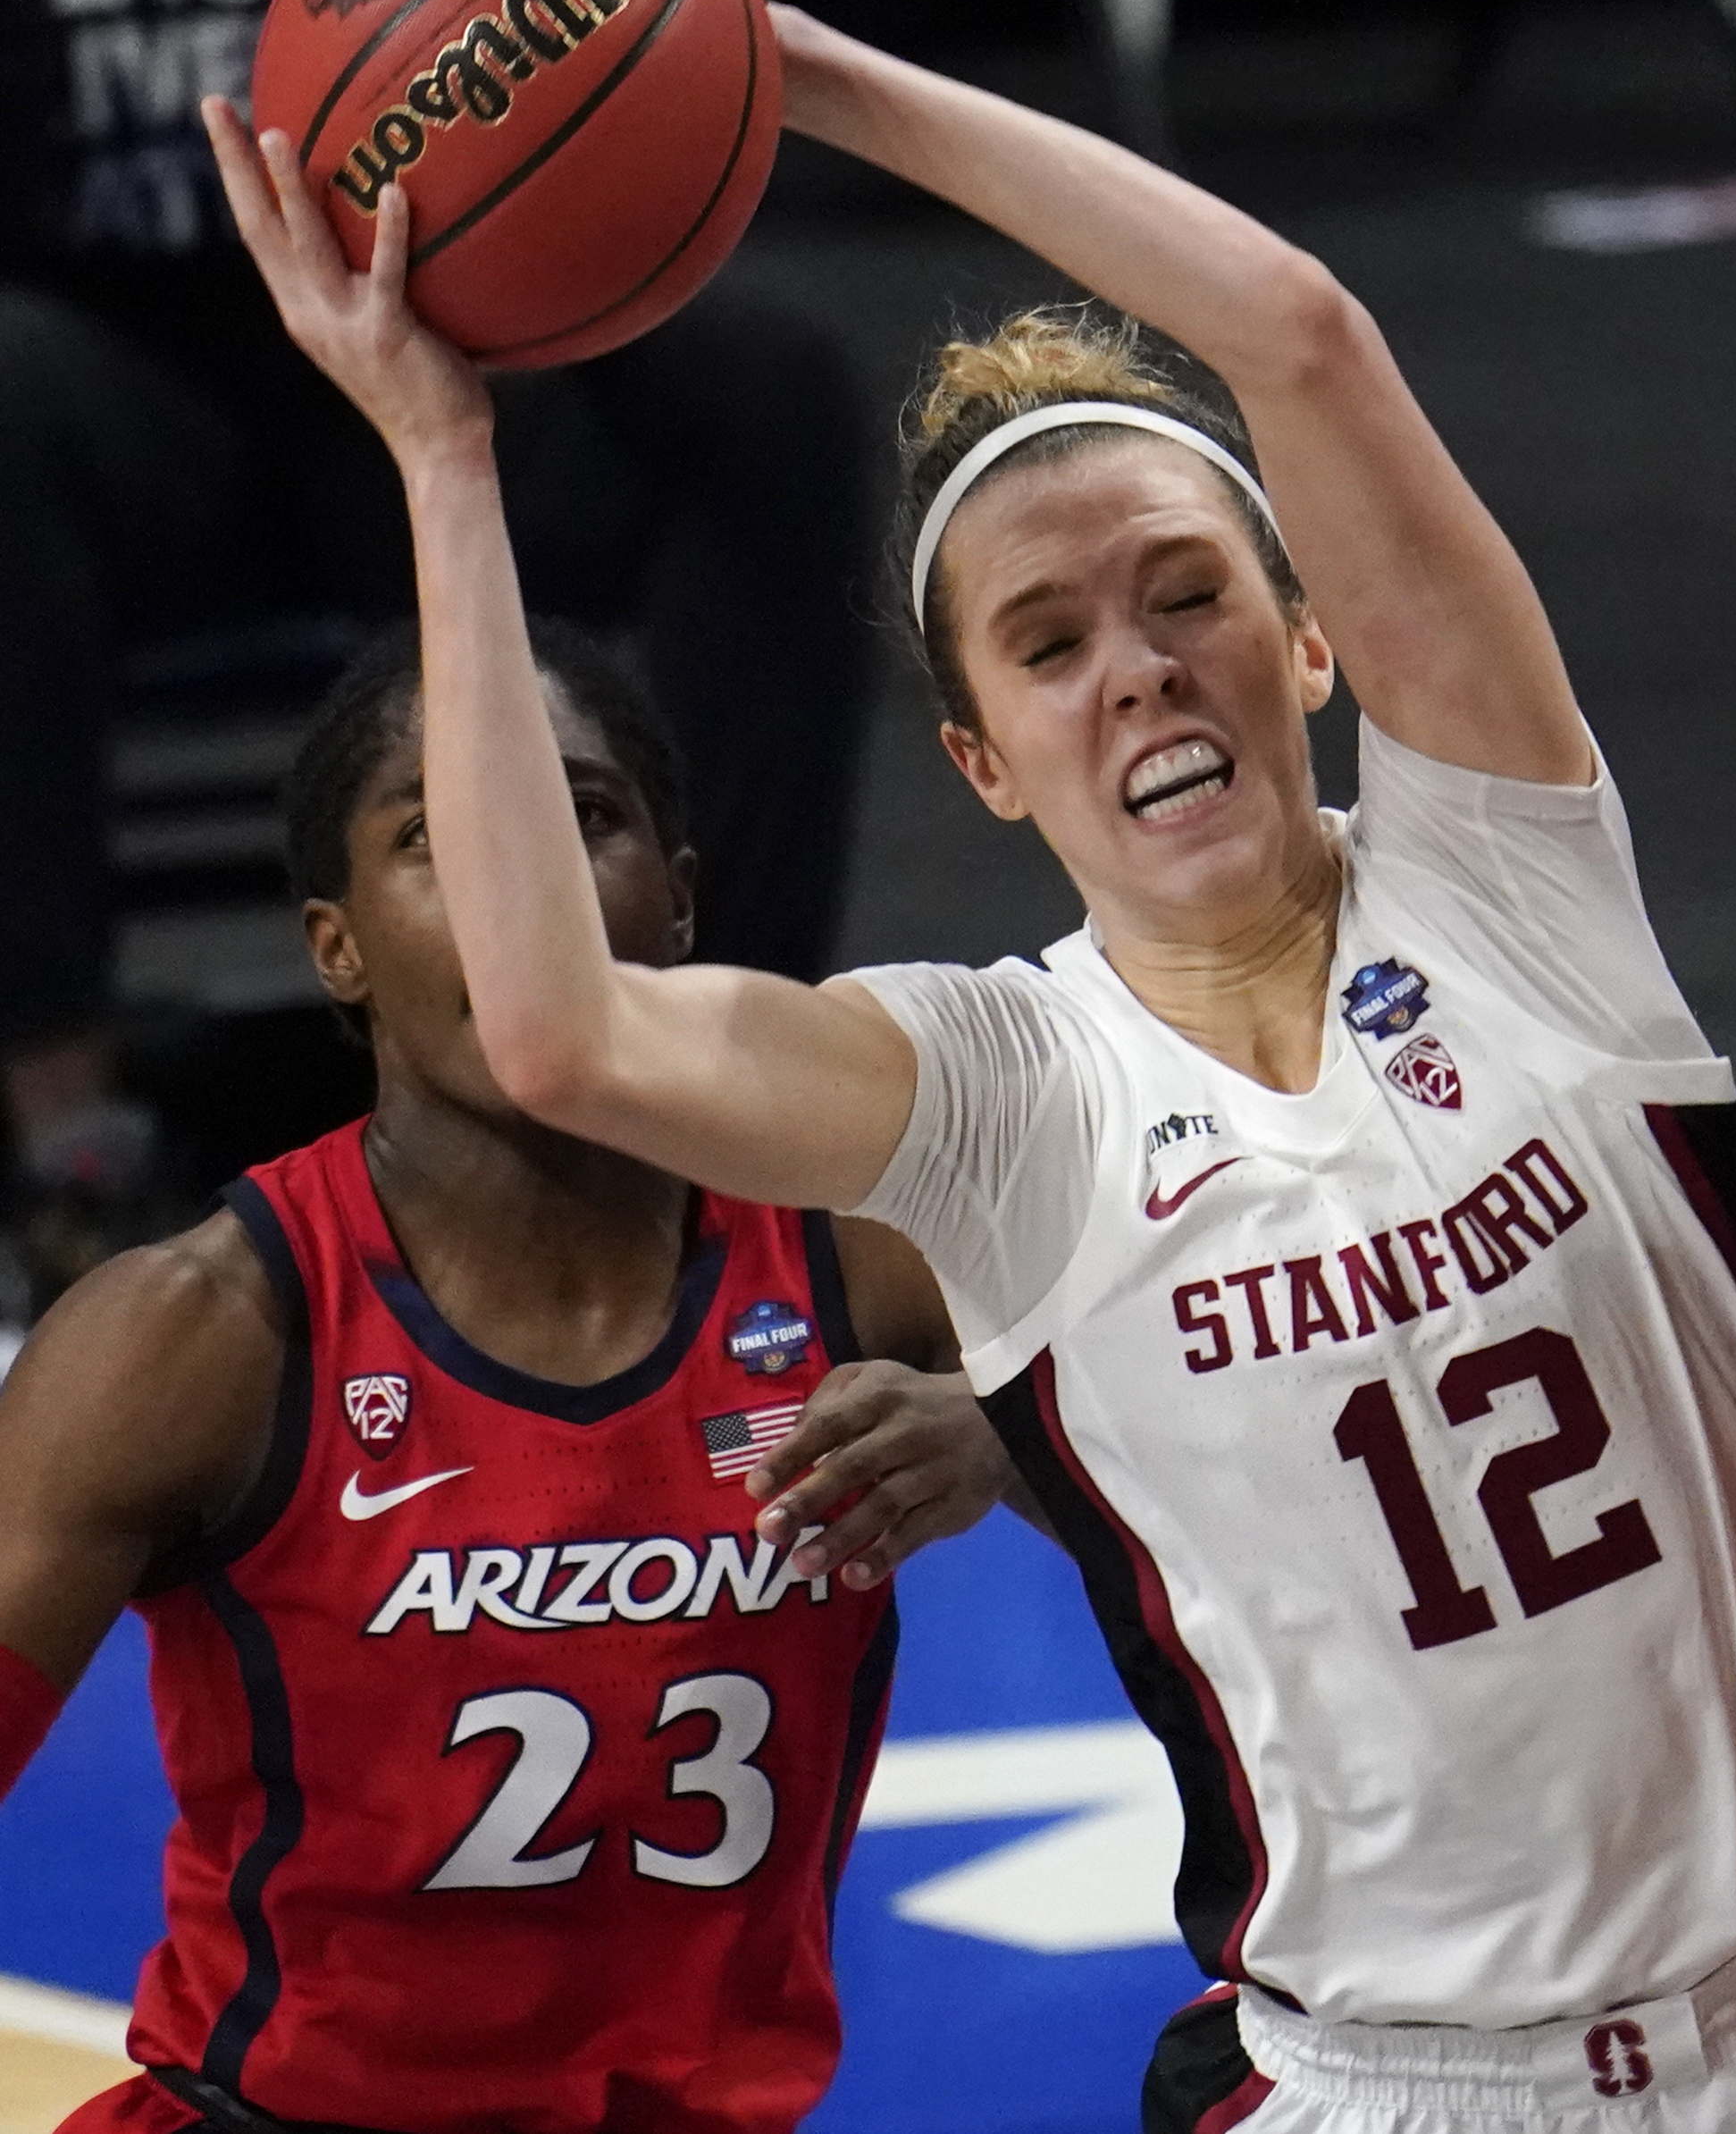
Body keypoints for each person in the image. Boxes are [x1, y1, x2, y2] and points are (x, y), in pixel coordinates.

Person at [197, 0, 1736, 2134]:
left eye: (1190, 596)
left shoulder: (1509, 888)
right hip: (1407, 2088)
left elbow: (1298, 334)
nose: (1142, 667)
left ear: (1305, 644)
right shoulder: (1005, 1093)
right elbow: (557, 1030)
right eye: (1052, 644)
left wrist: (790, 72)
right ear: (987, 762)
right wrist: (446, 452)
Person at [0, 616, 1020, 2134]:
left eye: (579, 817)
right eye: (439, 834)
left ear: (676, 905)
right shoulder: (196, 1336)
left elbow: (1260, 1510)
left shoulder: (872, 1260)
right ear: (334, 944)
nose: (518, 883)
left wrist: (1008, 1436)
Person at [0, 0, 873, 1310]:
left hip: (428, 357)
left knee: (768, 384)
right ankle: (66, 1132)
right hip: (121, 417)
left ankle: (733, 1087)